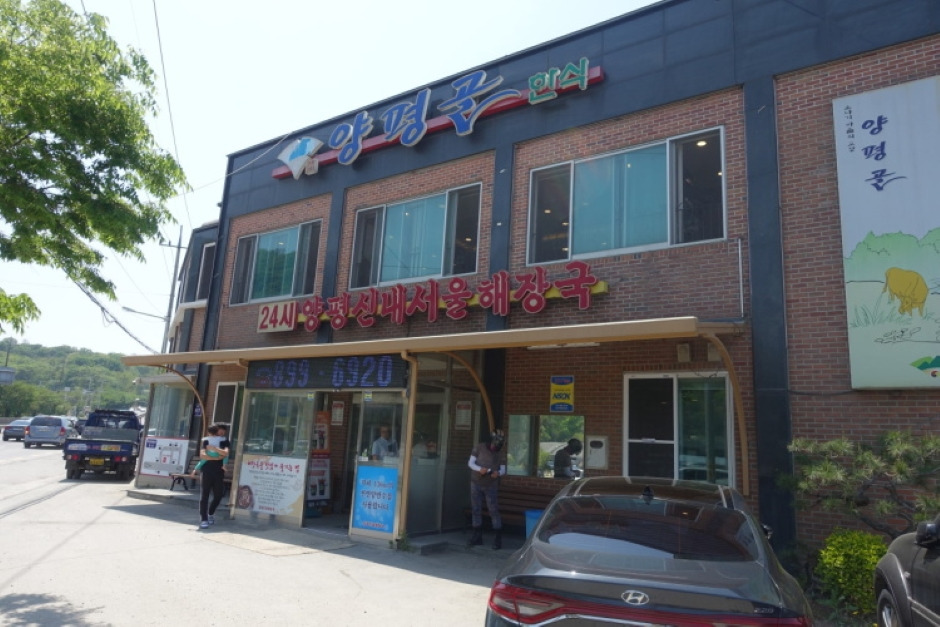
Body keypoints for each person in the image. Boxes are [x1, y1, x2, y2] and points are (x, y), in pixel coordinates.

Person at [467, 429, 507, 549]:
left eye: (498, 447)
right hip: (476, 482)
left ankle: (497, 538)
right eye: (494, 446)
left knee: (493, 509)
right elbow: (470, 463)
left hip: (491, 484)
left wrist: (498, 473)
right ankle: (477, 536)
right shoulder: (479, 448)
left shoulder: (500, 453)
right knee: (476, 508)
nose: (495, 449)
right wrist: (480, 469)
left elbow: (503, 469)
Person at [198, 423, 231, 529]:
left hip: (219, 471)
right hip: (206, 470)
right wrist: (218, 456)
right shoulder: (206, 440)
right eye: (220, 430)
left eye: (224, 430)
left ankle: (210, 513)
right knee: (204, 495)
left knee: (218, 495)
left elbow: (226, 453)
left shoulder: (225, 440)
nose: (222, 432)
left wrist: (214, 449)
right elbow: (202, 455)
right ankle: (204, 519)